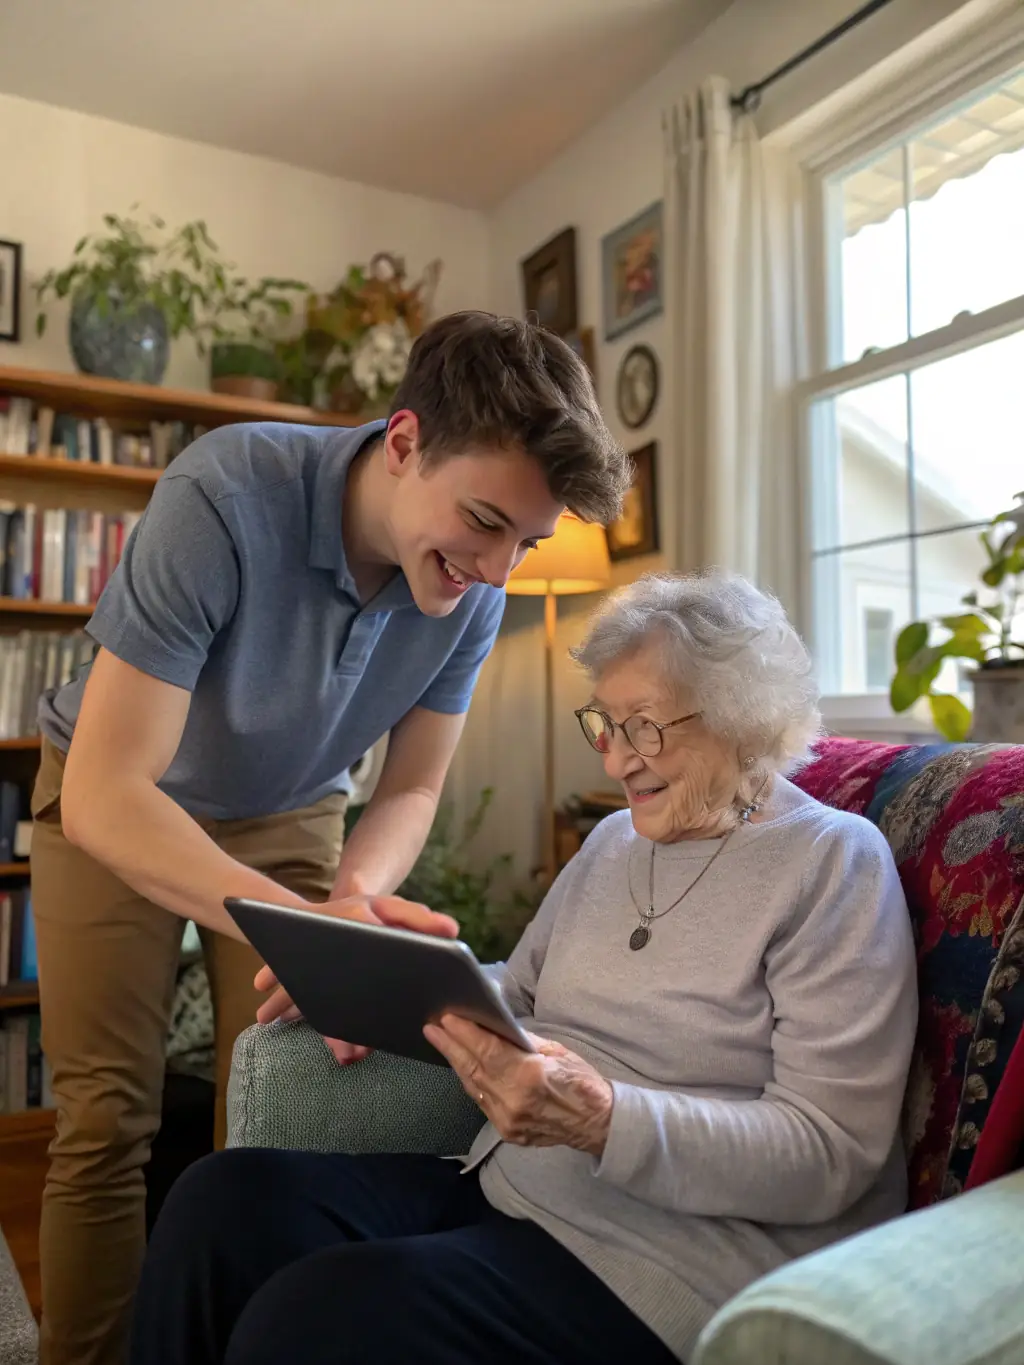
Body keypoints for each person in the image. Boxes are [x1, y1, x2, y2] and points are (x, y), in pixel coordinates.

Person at [30, 309, 629, 1365]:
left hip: (294, 807)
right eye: (484, 521)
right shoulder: (221, 495)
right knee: (105, 1121)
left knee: (283, 1102)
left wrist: (350, 901)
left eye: (523, 544)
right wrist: (294, 923)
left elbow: (410, 788)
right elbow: (109, 792)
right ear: (403, 443)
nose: (494, 570)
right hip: (114, 796)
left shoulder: (476, 590)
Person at [129, 570, 919, 1365]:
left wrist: (605, 1117)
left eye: (643, 727)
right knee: (221, 1204)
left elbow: (829, 1152)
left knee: (316, 1314)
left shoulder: (831, 864)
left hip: (665, 1260)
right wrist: (362, 975)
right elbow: (518, 992)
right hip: (511, 1191)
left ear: (742, 720)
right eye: (603, 725)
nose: (616, 761)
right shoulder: (614, 843)